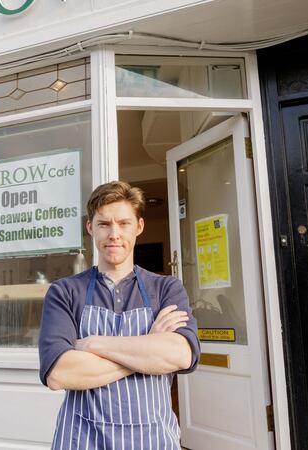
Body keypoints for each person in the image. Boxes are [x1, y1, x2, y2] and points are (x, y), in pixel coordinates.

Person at [39, 181, 200, 449]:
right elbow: (59, 374)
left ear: (138, 227)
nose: (114, 233)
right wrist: (149, 346)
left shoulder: (166, 288)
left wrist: (92, 344)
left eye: (124, 223)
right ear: (91, 228)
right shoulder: (65, 292)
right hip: (82, 439)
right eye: (104, 224)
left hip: (152, 439)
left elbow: (180, 355)